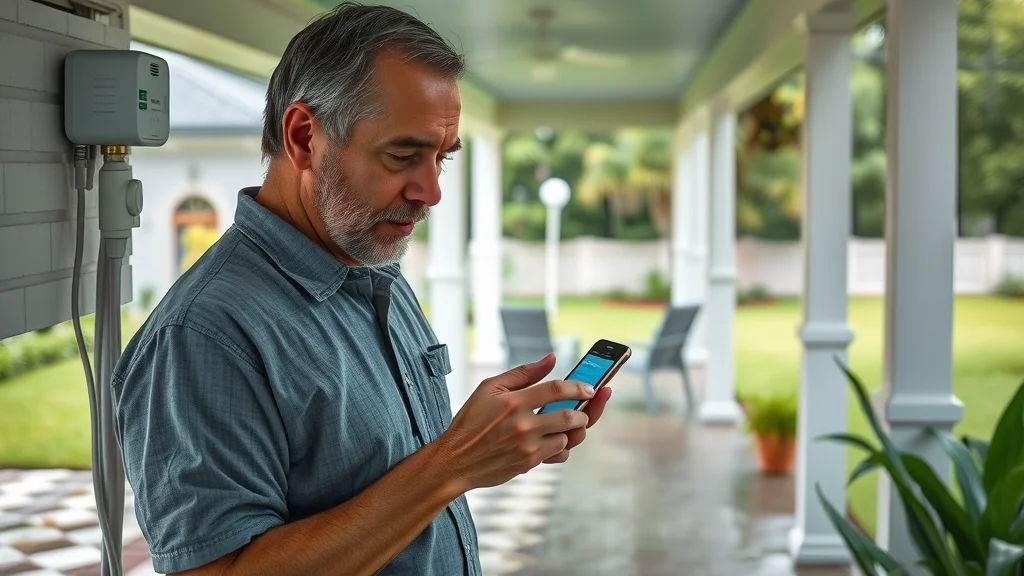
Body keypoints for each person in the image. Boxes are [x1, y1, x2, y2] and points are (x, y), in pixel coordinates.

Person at [110, 2, 612, 575]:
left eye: (441, 160)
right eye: (403, 155)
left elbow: (384, 474)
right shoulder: (204, 336)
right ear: (303, 137)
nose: (430, 192)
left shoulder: (374, 269)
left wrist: (498, 443)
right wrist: (454, 464)